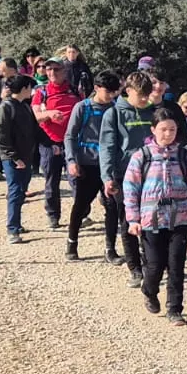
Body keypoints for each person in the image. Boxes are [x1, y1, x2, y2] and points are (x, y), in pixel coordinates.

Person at [123, 109, 187, 325]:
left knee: (176, 263)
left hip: (180, 215)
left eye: (172, 129)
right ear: (153, 130)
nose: (168, 134)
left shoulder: (184, 156)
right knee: (155, 264)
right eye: (163, 129)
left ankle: (175, 309)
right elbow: (131, 188)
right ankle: (149, 290)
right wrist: (133, 219)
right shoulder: (141, 156)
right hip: (152, 216)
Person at [100, 72, 159, 287]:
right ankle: (134, 268)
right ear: (128, 91)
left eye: (147, 94)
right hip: (124, 176)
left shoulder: (153, 112)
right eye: (140, 95)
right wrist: (107, 177)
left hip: (152, 175)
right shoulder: (114, 114)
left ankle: (150, 263)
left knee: (152, 220)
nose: (144, 99)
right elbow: (106, 147)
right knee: (128, 221)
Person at [66, 71, 123, 262]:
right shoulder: (82, 108)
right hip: (87, 165)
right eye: (109, 91)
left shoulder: (116, 109)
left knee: (112, 207)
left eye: (115, 91)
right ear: (97, 88)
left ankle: (110, 249)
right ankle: (71, 244)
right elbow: (70, 136)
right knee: (81, 205)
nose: (112, 95)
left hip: (109, 167)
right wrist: (71, 161)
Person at [0, 75, 51, 244]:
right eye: (29, 87)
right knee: (14, 191)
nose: (32, 91)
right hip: (13, 158)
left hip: (26, 156)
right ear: (24, 88)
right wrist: (14, 157)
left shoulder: (25, 107)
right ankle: (12, 229)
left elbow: (36, 129)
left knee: (21, 191)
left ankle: (17, 224)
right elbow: (2, 136)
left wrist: (50, 144)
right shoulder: (5, 108)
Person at [32, 57, 77, 231]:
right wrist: (49, 114)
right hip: (49, 142)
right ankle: (53, 215)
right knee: (52, 180)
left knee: (76, 179)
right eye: (48, 69)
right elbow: (34, 116)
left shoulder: (74, 90)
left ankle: (81, 213)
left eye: (56, 69)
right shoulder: (41, 92)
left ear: (65, 71)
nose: (51, 72)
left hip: (72, 142)